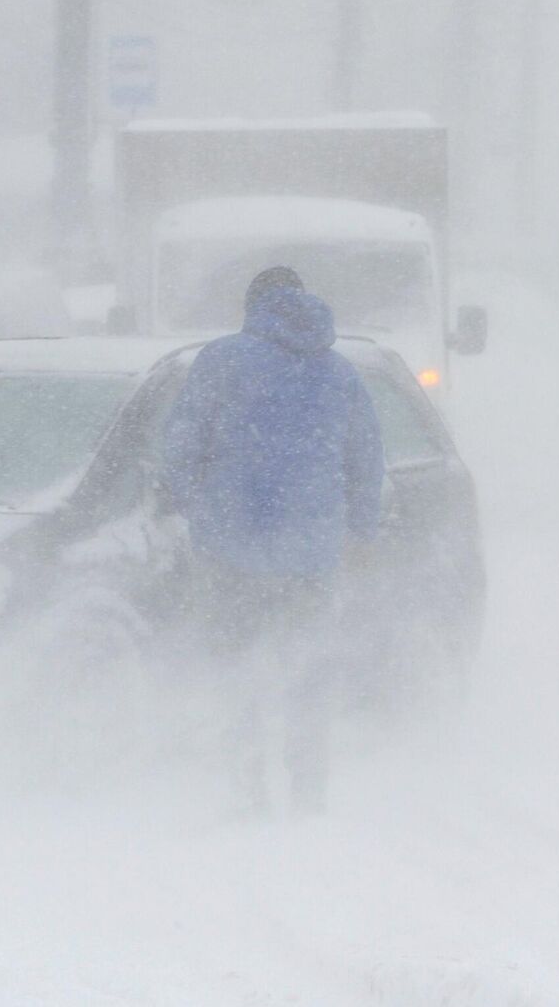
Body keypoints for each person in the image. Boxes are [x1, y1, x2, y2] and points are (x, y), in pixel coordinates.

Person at [160, 266, 384, 815]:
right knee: (308, 671)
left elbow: (181, 445)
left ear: (253, 306)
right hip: (311, 554)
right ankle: (309, 793)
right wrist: (360, 530)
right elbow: (366, 459)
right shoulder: (339, 372)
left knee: (237, 671)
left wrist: (198, 507)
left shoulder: (222, 360)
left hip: (232, 549)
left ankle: (248, 794)